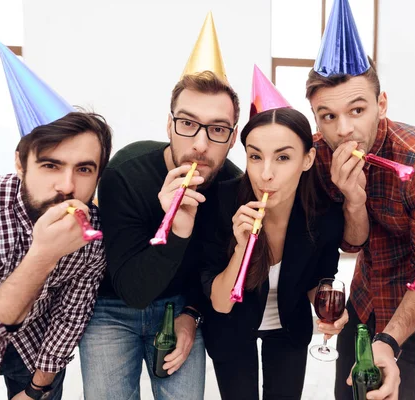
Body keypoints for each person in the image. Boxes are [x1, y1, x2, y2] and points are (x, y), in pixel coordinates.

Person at [78, 15, 242, 399]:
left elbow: (214, 272)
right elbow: (133, 290)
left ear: (231, 139)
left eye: (217, 129)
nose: (200, 144)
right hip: (112, 307)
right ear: (168, 125)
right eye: (188, 123)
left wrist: (191, 316)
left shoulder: (233, 185)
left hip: (182, 307)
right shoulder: (125, 175)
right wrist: (175, 228)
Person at [306, 1, 415, 399]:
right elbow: (351, 245)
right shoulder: (320, 155)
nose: (345, 130)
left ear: (382, 104)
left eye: (357, 110)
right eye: (328, 116)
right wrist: (353, 199)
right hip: (363, 298)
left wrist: (389, 342)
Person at [0, 42, 112, 400]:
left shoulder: (92, 231)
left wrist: (36, 389)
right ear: (20, 162)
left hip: (34, 348)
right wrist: (43, 256)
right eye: (50, 165)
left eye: (84, 169)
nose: (66, 187)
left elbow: (70, 316)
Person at [200, 106, 346, 400]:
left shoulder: (324, 214)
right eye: (255, 157)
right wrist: (242, 248)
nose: (265, 174)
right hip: (231, 327)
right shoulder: (220, 201)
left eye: (282, 157)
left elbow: (321, 279)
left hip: (289, 326)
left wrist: (329, 308)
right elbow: (220, 303)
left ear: (307, 159)